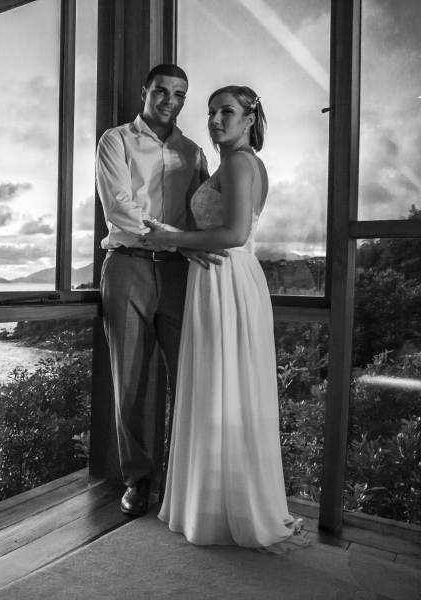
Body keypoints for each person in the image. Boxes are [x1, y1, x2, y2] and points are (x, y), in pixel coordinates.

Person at [143, 85, 309, 552]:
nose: (216, 120)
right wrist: (180, 241)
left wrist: (170, 238)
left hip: (226, 279)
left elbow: (235, 233)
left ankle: (220, 510)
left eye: (227, 112)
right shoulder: (237, 163)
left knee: (220, 388)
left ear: (249, 118)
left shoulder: (239, 162)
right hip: (223, 278)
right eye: (212, 112)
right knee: (224, 389)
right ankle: (220, 505)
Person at [96, 63, 225, 517]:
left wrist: (189, 245)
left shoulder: (193, 152)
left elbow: (203, 214)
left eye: (180, 94)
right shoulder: (115, 141)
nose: (170, 100)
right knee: (128, 381)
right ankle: (138, 478)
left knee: (189, 376)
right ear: (145, 91)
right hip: (128, 266)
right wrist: (177, 238)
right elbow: (120, 209)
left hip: (178, 273)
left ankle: (182, 477)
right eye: (162, 91)